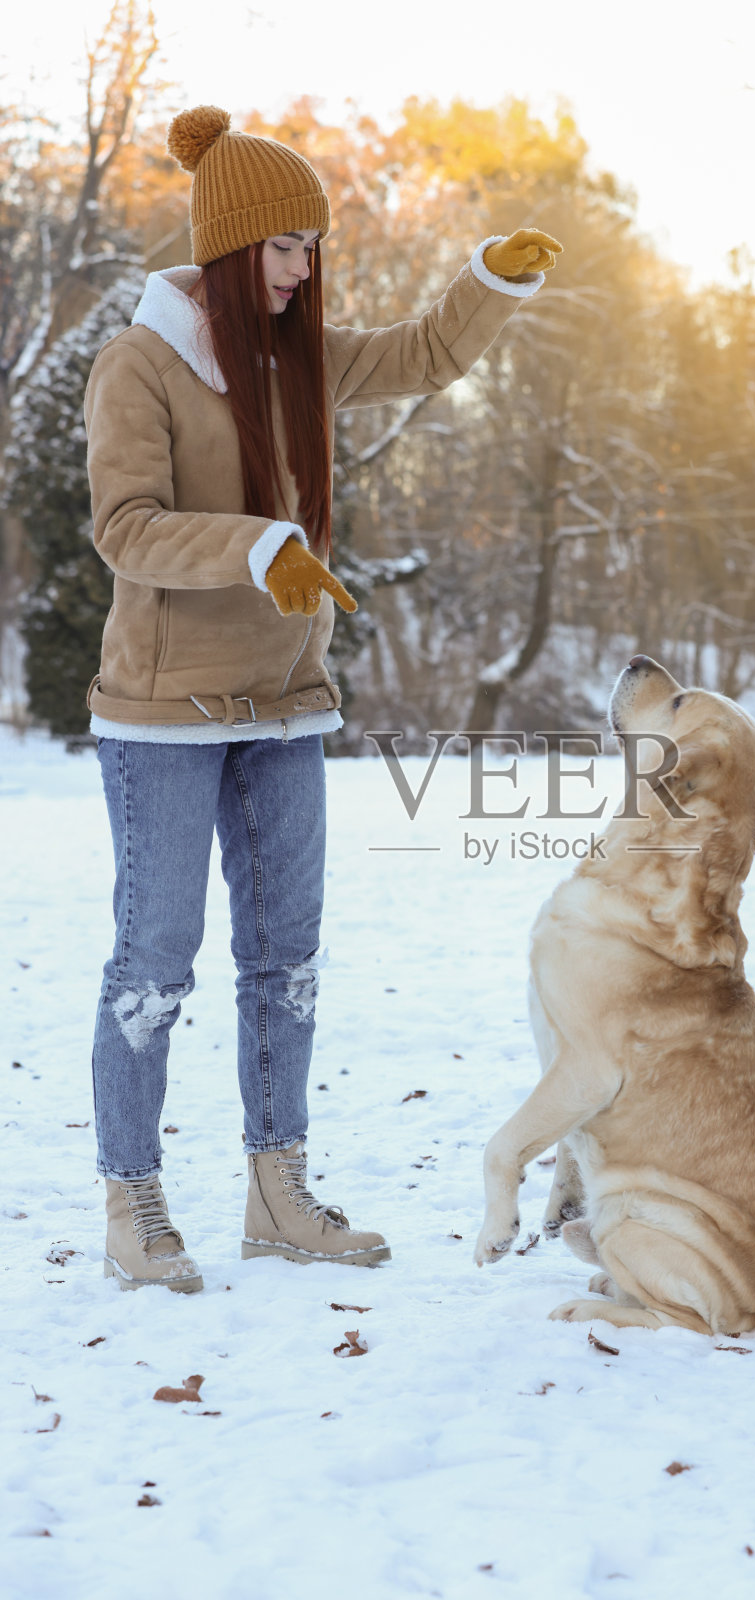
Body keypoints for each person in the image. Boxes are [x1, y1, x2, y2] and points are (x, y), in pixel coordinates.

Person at [85, 104, 561, 1293]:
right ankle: (133, 1199)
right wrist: (258, 549)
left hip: (284, 704)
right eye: (287, 249)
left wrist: (484, 285)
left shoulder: (295, 354)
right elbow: (124, 526)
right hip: (164, 713)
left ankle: (275, 1190)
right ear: (234, 248)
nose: (304, 271)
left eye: (313, 249)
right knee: (155, 956)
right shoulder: (138, 362)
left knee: (284, 958)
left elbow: (419, 355)